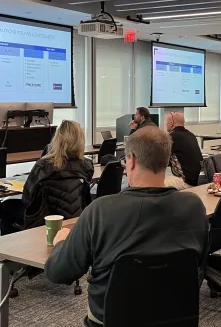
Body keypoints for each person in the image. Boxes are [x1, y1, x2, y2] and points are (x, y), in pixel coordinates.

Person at [45, 127, 209, 326]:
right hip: (176, 317)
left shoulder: (100, 211)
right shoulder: (194, 207)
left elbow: (58, 272)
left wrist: (61, 242)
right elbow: (198, 267)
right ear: (167, 160)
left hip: (109, 320)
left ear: (130, 160)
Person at [0, 120, 94, 235]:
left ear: (57, 139)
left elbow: (27, 199)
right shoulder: (87, 165)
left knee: (6, 206)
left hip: (44, 219)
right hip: (76, 218)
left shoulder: (43, 165)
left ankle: (9, 247)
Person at [165, 111, 203, 188]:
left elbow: (160, 159)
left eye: (167, 122)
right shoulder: (191, 135)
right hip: (197, 179)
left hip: (186, 182)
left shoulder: (171, 137)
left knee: (154, 185)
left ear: (171, 123)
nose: (166, 124)